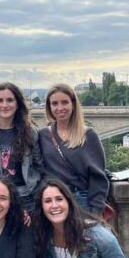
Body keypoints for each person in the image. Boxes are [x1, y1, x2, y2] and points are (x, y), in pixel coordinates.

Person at [38, 83, 108, 214]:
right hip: (53, 202)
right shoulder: (43, 135)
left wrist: (96, 211)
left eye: (65, 102)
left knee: (104, 236)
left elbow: (98, 177)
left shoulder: (88, 135)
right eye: (54, 104)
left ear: (73, 104)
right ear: (49, 107)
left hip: (81, 201)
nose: (60, 108)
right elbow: (39, 171)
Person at [0, 82, 43, 213]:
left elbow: (39, 166)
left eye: (10, 100)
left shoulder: (30, 132)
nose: (5, 105)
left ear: (18, 104)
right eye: (0, 100)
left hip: (26, 198)